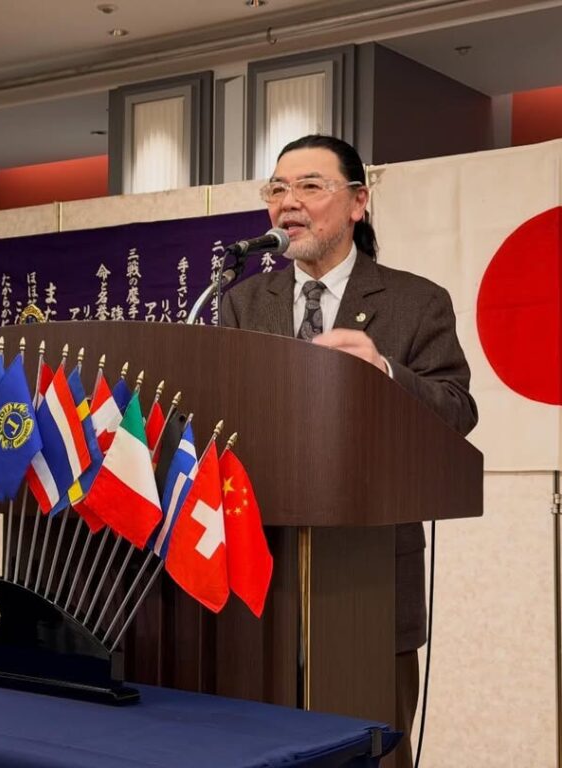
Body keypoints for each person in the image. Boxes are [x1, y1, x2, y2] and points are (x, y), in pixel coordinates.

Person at [221, 134, 478, 768]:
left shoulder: (415, 301)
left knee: (371, 753)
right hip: (260, 576)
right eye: (278, 189)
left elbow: (457, 412)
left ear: (358, 203)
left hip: (370, 576)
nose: (289, 203)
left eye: (310, 186)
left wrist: (384, 372)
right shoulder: (243, 302)